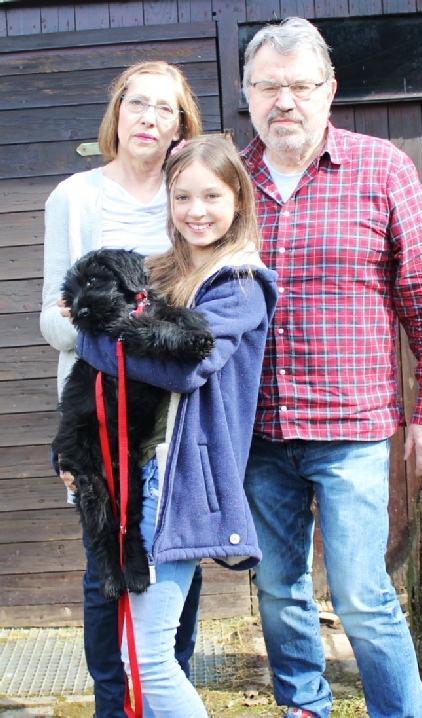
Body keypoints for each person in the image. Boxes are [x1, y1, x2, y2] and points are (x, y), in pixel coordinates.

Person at [238, 17, 422, 718]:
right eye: (267, 87)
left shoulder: (381, 167)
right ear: (246, 93)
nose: (284, 101)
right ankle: (304, 706)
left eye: (300, 86)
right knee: (278, 590)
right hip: (255, 431)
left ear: (329, 90)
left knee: (363, 595)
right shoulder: (226, 180)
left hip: (353, 431)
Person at [73, 135, 278, 716]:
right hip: (135, 471)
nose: (196, 210)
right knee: (135, 650)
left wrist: (91, 341)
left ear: (238, 199)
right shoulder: (158, 273)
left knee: (149, 657)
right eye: (182, 196)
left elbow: (187, 368)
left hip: (179, 483)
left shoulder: (240, 284)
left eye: (212, 196)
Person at [40, 60, 204, 717]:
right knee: (105, 567)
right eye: (137, 103)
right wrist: (109, 333)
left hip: (177, 419)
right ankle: (114, 707)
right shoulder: (76, 198)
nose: (148, 117)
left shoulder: (189, 194)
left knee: (177, 566)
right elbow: (52, 316)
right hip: (100, 416)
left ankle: (167, 693)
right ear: (117, 112)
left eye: (165, 108)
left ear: (180, 125)